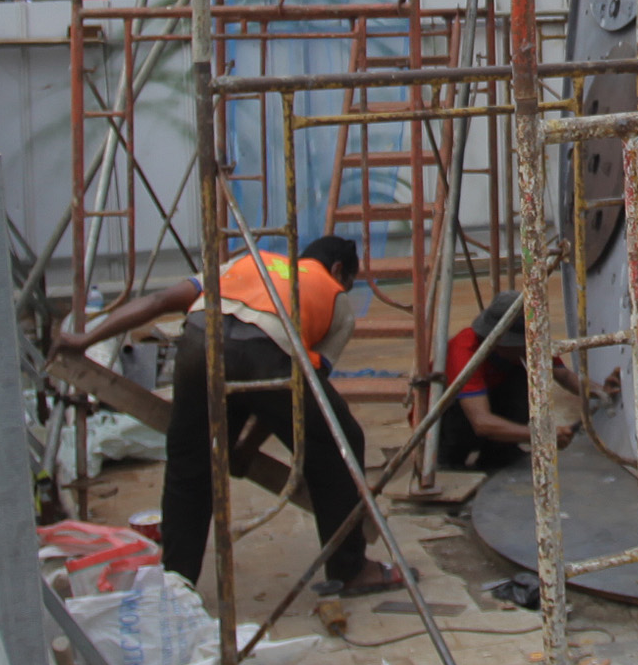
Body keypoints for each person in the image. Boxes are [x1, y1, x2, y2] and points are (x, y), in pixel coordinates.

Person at [59, 234, 401, 596]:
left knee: (189, 465)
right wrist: (247, 448)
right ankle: (350, 570)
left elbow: (159, 301)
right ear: (337, 271)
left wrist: (84, 339)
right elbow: (298, 399)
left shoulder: (245, 262)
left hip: (199, 341)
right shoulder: (335, 299)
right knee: (340, 441)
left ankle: (177, 580)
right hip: (268, 354)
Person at [425, 292, 589, 475]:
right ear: (500, 342)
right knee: (458, 413)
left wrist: (599, 391)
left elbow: (564, 375)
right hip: (446, 419)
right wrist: (543, 436)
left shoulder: (524, 345)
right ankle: (449, 461)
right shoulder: (464, 353)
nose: (528, 349)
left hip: (485, 402)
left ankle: (498, 454)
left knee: (526, 378)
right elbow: (482, 423)